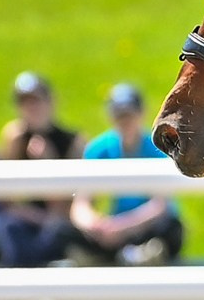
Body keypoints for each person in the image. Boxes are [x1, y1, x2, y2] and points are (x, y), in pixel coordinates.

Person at [71, 83, 184, 263]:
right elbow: (80, 205)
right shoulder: (98, 149)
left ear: (140, 114)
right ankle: (131, 255)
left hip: (146, 224)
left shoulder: (157, 148)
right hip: (113, 227)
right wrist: (94, 224)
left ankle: (118, 255)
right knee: (63, 231)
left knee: (170, 227)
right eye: (120, 116)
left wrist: (122, 227)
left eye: (129, 115)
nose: (125, 121)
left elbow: (161, 206)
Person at [0, 70, 82, 268]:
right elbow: (7, 199)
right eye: (25, 103)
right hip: (28, 217)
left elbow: (71, 205)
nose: (31, 108)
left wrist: (48, 163)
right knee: (10, 226)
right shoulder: (14, 137)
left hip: (59, 220)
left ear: (50, 102)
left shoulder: (73, 142)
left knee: (57, 231)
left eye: (36, 101)